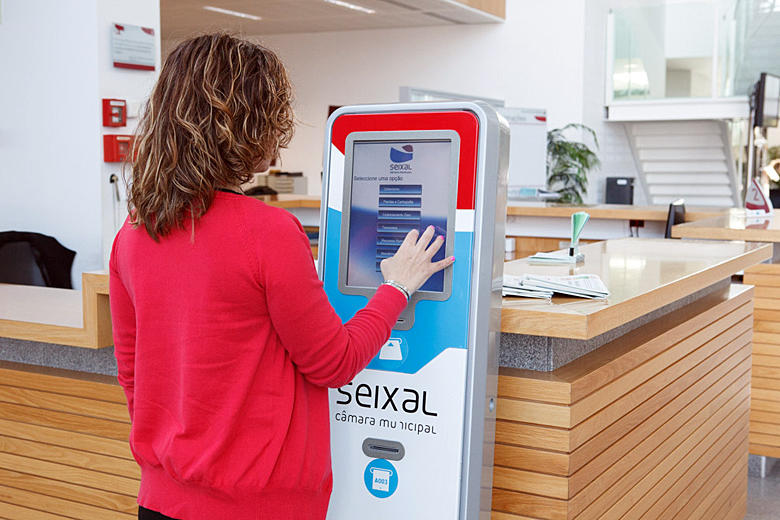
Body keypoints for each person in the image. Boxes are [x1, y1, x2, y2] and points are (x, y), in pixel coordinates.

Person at [109, 33, 454, 520]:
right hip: (259, 507)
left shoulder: (133, 233)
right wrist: (396, 287)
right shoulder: (267, 232)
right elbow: (334, 363)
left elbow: (133, 376)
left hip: (161, 500)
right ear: (251, 125)